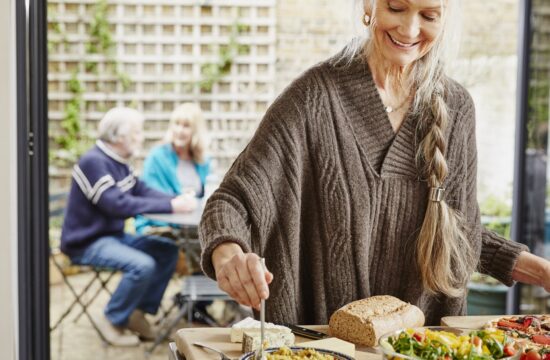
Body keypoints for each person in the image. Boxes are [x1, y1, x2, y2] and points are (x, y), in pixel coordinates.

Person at [198, 0, 550, 326]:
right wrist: (229, 256)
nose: (410, 30)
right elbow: (231, 202)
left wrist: (540, 271)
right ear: (369, 4)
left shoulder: (456, 108)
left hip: (423, 345)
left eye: (428, 16)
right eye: (396, 7)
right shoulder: (313, 99)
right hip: (324, 347)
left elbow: (455, 233)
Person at [60, 107, 193, 346]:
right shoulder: (94, 162)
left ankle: (136, 313)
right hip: (86, 242)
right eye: (137, 133)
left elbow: (140, 190)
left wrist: (174, 201)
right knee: (142, 265)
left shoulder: (118, 163)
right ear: (119, 136)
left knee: (167, 251)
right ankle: (113, 320)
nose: (141, 138)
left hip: (113, 236)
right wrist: (172, 206)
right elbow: (116, 204)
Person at [134, 102, 210, 237]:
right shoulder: (157, 157)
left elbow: (205, 195)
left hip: (191, 225)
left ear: (196, 131)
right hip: (159, 225)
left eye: (186, 126)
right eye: (177, 124)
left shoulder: (203, 160)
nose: (179, 130)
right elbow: (150, 196)